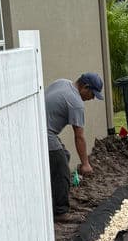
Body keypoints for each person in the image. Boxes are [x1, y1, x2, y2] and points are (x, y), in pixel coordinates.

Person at [44, 72, 103, 217]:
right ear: (85, 87)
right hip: (44, 132)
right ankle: (60, 212)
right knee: (62, 169)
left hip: (38, 126)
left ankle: (53, 197)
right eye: (92, 94)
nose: (92, 98)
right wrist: (85, 164)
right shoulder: (76, 103)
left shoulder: (62, 82)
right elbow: (79, 137)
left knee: (64, 155)